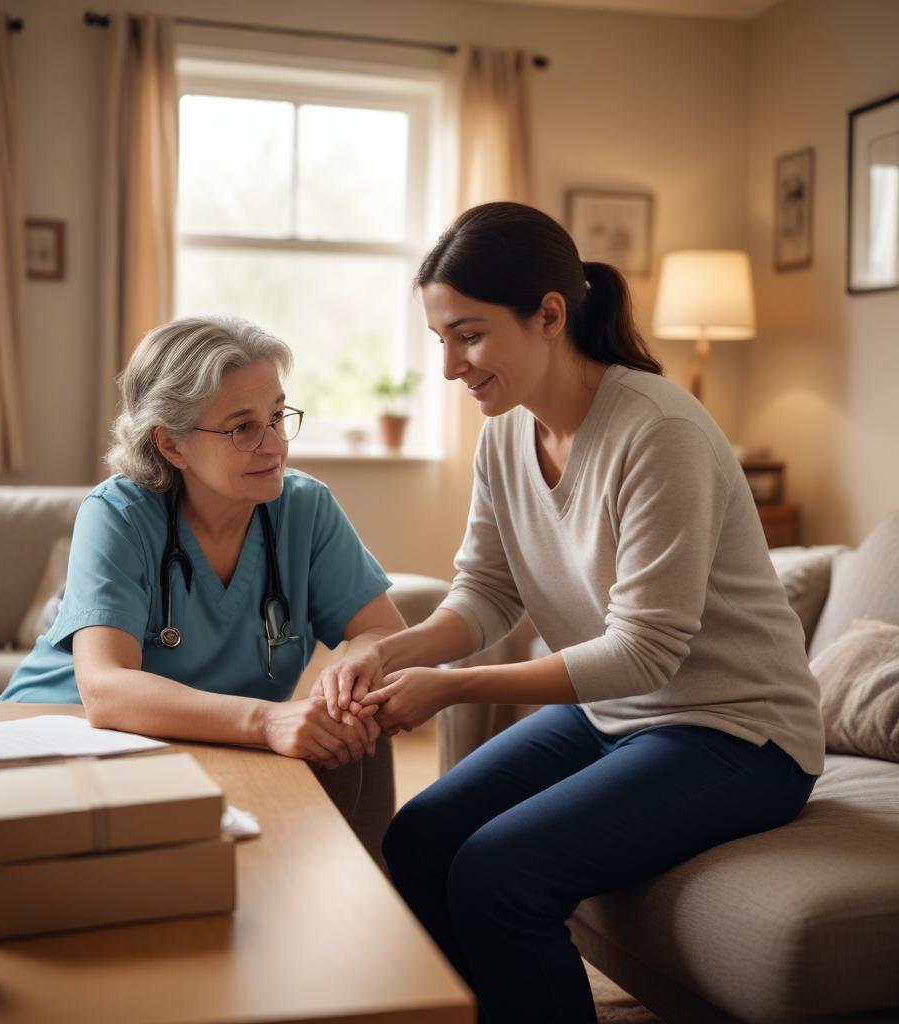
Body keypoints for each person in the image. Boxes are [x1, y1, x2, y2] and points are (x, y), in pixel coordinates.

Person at [313, 202, 825, 1023]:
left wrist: (448, 690)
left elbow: (647, 652)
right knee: (420, 839)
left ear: (549, 315)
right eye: (440, 337)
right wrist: (394, 652)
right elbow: (485, 590)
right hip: (619, 714)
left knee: (498, 872)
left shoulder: (658, 432)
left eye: (468, 335)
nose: (449, 366)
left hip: (739, 733)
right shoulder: (505, 438)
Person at [1, 314, 405, 864]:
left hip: (220, 745)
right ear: (171, 445)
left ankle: (370, 905)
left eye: (278, 415)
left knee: (353, 726)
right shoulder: (116, 514)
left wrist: (349, 673)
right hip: (75, 739)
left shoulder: (306, 508)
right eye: (242, 427)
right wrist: (266, 720)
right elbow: (106, 689)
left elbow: (384, 633)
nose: (274, 444)